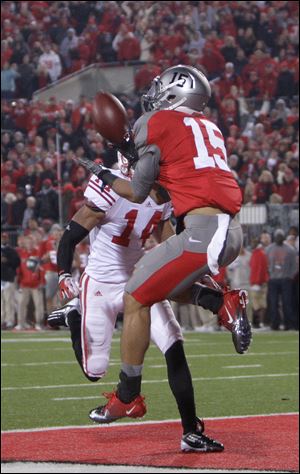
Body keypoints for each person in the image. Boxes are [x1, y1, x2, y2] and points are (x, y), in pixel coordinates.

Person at [77, 65, 252, 448]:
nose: (154, 95)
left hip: (202, 232)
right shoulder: (209, 127)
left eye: (162, 89)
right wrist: (131, 152)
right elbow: (161, 191)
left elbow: (139, 192)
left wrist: (103, 174)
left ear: (175, 95)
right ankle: (218, 302)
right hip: (229, 231)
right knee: (161, 287)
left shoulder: (154, 122)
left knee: (136, 295)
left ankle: (128, 394)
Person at [48, 152, 224, 452]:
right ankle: (74, 315)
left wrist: (193, 269)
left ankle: (191, 431)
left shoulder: (162, 194)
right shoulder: (109, 189)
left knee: (174, 344)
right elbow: (68, 238)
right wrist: (65, 275)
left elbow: (168, 242)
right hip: (100, 284)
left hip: (139, 280)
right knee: (94, 371)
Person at [266, 229, 298, 330]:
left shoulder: (290, 250)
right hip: (273, 279)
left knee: (287, 303)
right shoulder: (269, 249)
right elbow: (265, 264)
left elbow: (294, 265)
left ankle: (289, 324)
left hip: (285, 279)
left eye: (280, 236)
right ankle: (275, 324)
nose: (279, 237)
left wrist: (290, 276)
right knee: (273, 302)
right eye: (277, 236)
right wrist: (268, 275)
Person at [1, 232, 20, 329]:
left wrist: (6, 260)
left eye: (4, 238)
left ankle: (9, 320)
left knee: (9, 300)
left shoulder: (11, 250)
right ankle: (2, 320)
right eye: (2, 238)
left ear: (7, 239)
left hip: (8, 278)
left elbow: (17, 263)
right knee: (2, 301)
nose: (3, 239)